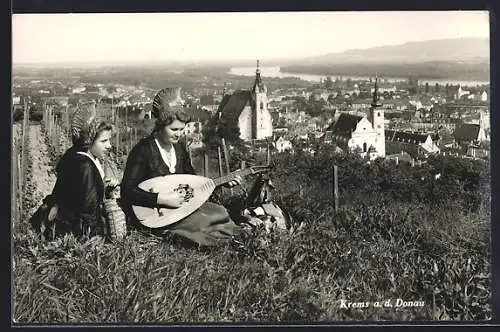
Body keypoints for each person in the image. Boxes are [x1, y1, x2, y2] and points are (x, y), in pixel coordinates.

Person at [120, 87, 241, 246]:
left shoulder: (179, 148)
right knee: (207, 220)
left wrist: (220, 183)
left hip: (181, 210)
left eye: (182, 130)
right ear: (160, 126)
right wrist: (161, 199)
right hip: (155, 216)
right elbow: (127, 192)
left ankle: (232, 237)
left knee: (219, 212)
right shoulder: (143, 151)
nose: (178, 134)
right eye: (174, 129)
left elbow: (193, 185)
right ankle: (212, 238)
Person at [29, 103, 119, 240]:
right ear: (89, 141)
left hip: (60, 225)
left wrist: (102, 186)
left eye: (109, 140)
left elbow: (76, 196)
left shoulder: (73, 155)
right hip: (75, 234)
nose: (109, 145)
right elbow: (87, 213)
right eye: (104, 141)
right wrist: (102, 240)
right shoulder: (85, 166)